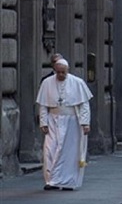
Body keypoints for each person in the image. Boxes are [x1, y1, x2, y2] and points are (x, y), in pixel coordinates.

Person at [36, 58, 93, 190]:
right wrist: (43, 122)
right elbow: (43, 105)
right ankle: (51, 181)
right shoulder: (47, 83)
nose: (61, 75)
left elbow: (84, 105)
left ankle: (68, 181)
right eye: (59, 72)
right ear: (55, 71)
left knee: (69, 152)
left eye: (63, 73)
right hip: (53, 120)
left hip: (71, 121)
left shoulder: (77, 83)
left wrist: (85, 123)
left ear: (67, 71)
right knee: (49, 150)